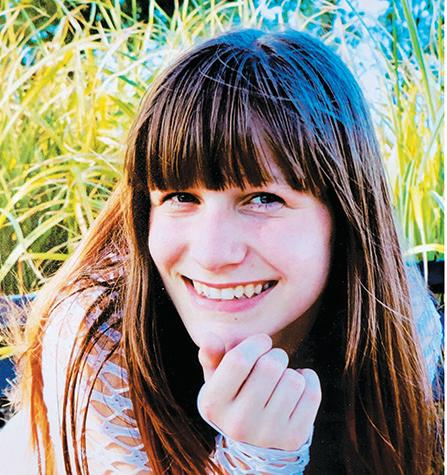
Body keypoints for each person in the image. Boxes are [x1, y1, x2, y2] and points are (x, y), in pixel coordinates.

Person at [0, 28, 442, 474]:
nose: (212, 254)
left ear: (346, 216)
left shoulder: (401, 320)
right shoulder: (98, 337)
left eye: (264, 199)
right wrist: (258, 459)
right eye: (180, 197)